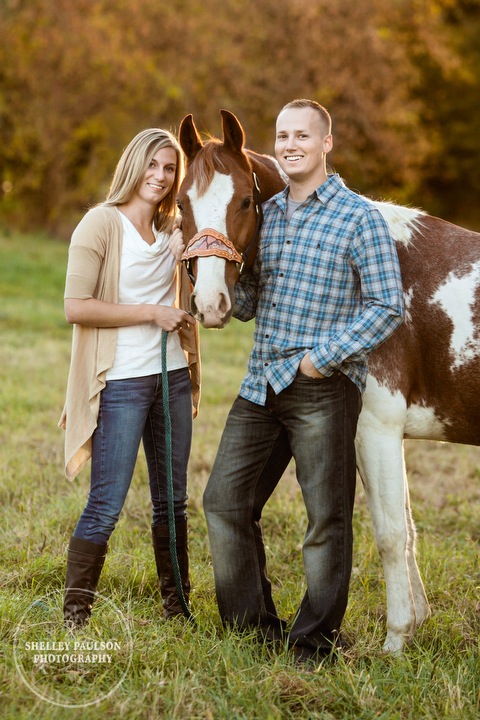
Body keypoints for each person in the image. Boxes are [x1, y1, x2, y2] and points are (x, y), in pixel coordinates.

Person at [203, 99, 404, 666]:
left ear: (325, 144)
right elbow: (251, 300)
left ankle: (314, 644)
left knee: (325, 521)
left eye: (302, 136)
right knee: (224, 502)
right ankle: (253, 628)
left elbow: (388, 305)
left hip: (321, 386)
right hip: (260, 384)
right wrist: (216, 286)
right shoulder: (267, 214)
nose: (290, 144)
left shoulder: (357, 215)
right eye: (283, 135)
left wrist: (322, 357)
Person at [59, 128, 200, 628]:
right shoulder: (99, 224)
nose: (160, 177)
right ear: (133, 164)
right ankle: (76, 615)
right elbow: (76, 306)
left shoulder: (176, 229)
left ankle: (178, 609)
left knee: (172, 501)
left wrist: (191, 258)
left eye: (169, 170)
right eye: (153, 165)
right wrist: (150, 313)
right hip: (120, 382)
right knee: (106, 503)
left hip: (173, 379)